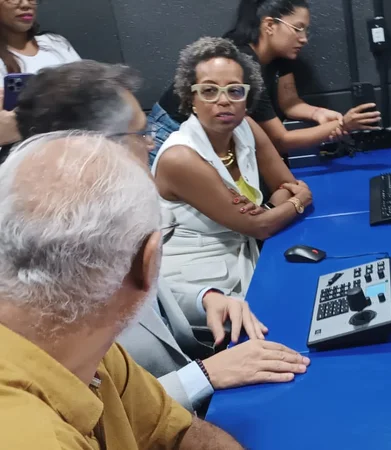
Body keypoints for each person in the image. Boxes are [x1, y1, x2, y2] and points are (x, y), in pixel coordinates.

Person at [15, 60, 311, 413]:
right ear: (89, 149)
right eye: (139, 133)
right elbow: (87, 414)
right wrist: (203, 376)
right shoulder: (42, 260)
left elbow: (150, 309)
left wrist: (204, 298)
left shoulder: (110, 222)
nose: (150, 141)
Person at [0, 131, 245, 448]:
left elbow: (173, 430)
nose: (150, 142)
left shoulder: (94, 351)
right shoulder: (33, 437)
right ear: (149, 262)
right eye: (137, 132)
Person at [152, 37, 312, 321]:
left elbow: (284, 185)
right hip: (200, 288)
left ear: (247, 98)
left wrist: (270, 211)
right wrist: (299, 201)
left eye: (235, 90)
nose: (223, 100)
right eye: (209, 91)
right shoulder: (180, 158)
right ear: (191, 99)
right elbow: (262, 225)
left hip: (247, 261)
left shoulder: (245, 127)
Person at [148, 0, 381, 163]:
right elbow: (281, 140)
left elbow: (290, 103)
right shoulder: (242, 65)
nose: (304, 39)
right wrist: (343, 126)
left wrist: (319, 113)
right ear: (269, 25)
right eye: (298, 29)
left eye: (306, 31)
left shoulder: (282, 55)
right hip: (170, 131)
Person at [0, 0, 81, 147]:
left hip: (79, 142)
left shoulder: (56, 43)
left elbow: (89, 93)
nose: (26, 4)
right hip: (25, 152)